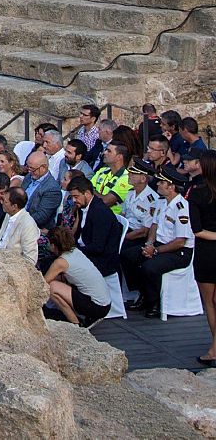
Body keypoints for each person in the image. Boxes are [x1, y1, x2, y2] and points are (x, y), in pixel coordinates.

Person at [124, 165, 195, 318]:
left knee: (150, 267)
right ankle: (142, 293)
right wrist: (149, 244)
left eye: (162, 182)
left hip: (178, 252)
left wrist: (155, 251)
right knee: (129, 256)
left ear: (171, 187)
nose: (157, 184)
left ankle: (154, 303)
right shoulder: (162, 202)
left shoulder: (182, 208)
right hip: (159, 244)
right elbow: (154, 225)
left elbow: (180, 241)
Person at [44, 223, 112, 327]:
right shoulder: (75, 251)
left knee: (51, 287)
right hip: (105, 303)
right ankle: (78, 317)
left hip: (97, 307)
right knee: (59, 278)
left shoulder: (61, 262)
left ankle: (76, 323)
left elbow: (43, 282)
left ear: (53, 245)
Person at [187, 150, 216, 367]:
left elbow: (196, 229)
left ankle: (215, 347)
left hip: (207, 251)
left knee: (210, 303)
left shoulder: (196, 193)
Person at [68, 175, 122, 279]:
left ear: (87, 193)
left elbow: (98, 247)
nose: (74, 200)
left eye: (76, 196)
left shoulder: (100, 212)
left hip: (101, 261)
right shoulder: (82, 206)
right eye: (72, 197)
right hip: (85, 251)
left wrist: (74, 250)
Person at [0, 186, 39, 264]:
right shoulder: (8, 214)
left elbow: (30, 259)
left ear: (14, 206)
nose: (1, 202)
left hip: (8, 265)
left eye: (5, 201)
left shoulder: (28, 225)